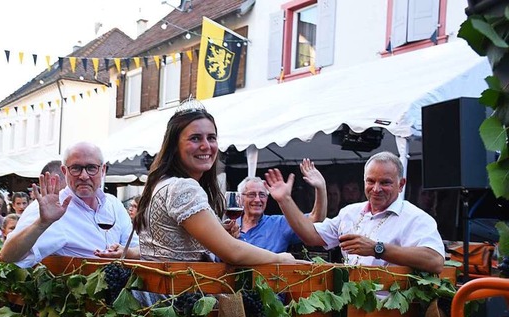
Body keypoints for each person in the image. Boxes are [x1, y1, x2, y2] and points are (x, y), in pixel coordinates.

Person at [133, 101, 294, 265]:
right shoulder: (182, 187)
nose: (206, 146)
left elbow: (166, 246)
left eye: (211, 138)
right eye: (195, 138)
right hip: (178, 289)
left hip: (160, 286)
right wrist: (280, 258)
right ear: (174, 146)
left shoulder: (161, 182)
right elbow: (233, 252)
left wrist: (218, 234)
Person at [264, 151, 445, 273]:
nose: (376, 189)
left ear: (401, 184)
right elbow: (311, 236)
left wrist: (377, 249)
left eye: (385, 182)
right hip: (350, 309)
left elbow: (435, 260)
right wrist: (284, 200)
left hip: (391, 316)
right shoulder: (351, 212)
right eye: (371, 181)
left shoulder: (415, 218)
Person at [1, 142, 137, 267]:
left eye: (91, 168)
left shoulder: (113, 204)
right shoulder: (49, 207)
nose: (84, 176)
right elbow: (8, 255)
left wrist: (127, 252)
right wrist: (42, 223)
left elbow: (138, 248)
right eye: (76, 168)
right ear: (65, 171)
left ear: (103, 170)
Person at [236, 159, 327, 253]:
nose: (257, 200)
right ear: (239, 199)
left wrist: (321, 188)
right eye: (251, 194)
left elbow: (315, 221)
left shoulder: (278, 225)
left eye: (262, 195)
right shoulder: (229, 227)